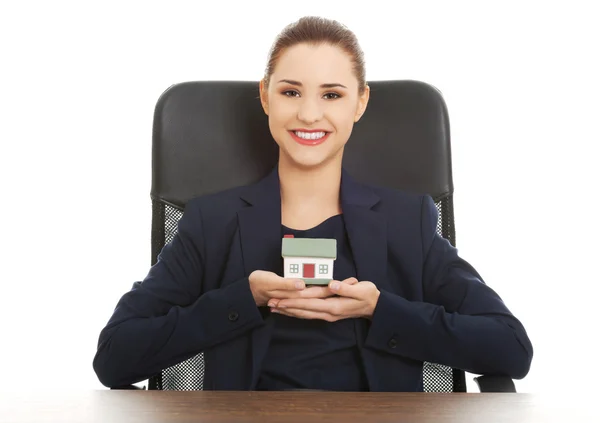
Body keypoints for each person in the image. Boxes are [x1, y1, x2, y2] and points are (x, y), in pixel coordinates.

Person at [93, 16, 533, 391]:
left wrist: (379, 310)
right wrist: (241, 300)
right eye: (290, 92)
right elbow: (114, 356)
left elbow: (511, 347)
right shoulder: (212, 222)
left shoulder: (407, 222)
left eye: (332, 94)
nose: (308, 114)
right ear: (265, 96)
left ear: (359, 103)